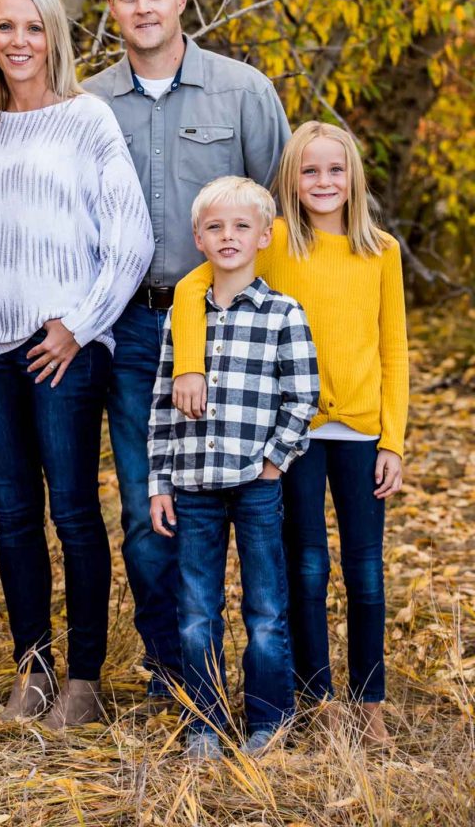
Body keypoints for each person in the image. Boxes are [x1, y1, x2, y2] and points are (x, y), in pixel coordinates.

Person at [0, 0, 154, 729]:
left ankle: (84, 683)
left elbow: (132, 237)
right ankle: (33, 670)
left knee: (73, 511)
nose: (18, 41)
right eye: (4, 28)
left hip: (62, 346)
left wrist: (79, 325)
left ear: (53, 35)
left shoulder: (87, 119)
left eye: (32, 27)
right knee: (13, 515)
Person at [83, 0, 291, 695]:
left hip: (236, 328)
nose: (142, 8)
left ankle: (273, 672)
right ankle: (175, 670)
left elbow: (283, 211)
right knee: (150, 513)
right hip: (137, 332)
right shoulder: (89, 104)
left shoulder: (243, 93)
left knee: (256, 504)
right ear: (111, 7)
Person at [170, 122, 409, 743]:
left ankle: (369, 698)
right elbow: (194, 285)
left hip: (360, 431)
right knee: (304, 564)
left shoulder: (380, 250)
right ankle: (316, 691)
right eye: (309, 171)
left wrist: (393, 440)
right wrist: (189, 364)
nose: (323, 182)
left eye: (335, 170)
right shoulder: (273, 245)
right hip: (293, 432)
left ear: (353, 175)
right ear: (291, 181)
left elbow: (394, 349)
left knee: (365, 569)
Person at [149, 176, 318, 759]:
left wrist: (274, 462)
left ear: (264, 236)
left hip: (255, 486)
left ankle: (270, 718)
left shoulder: (283, 314)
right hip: (193, 486)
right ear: (198, 238)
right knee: (196, 611)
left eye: (241, 226)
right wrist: (159, 482)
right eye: (215, 227)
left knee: (265, 607)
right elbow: (161, 405)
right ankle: (205, 723)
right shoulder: (183, 318)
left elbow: (302, 398)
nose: (228, 236)